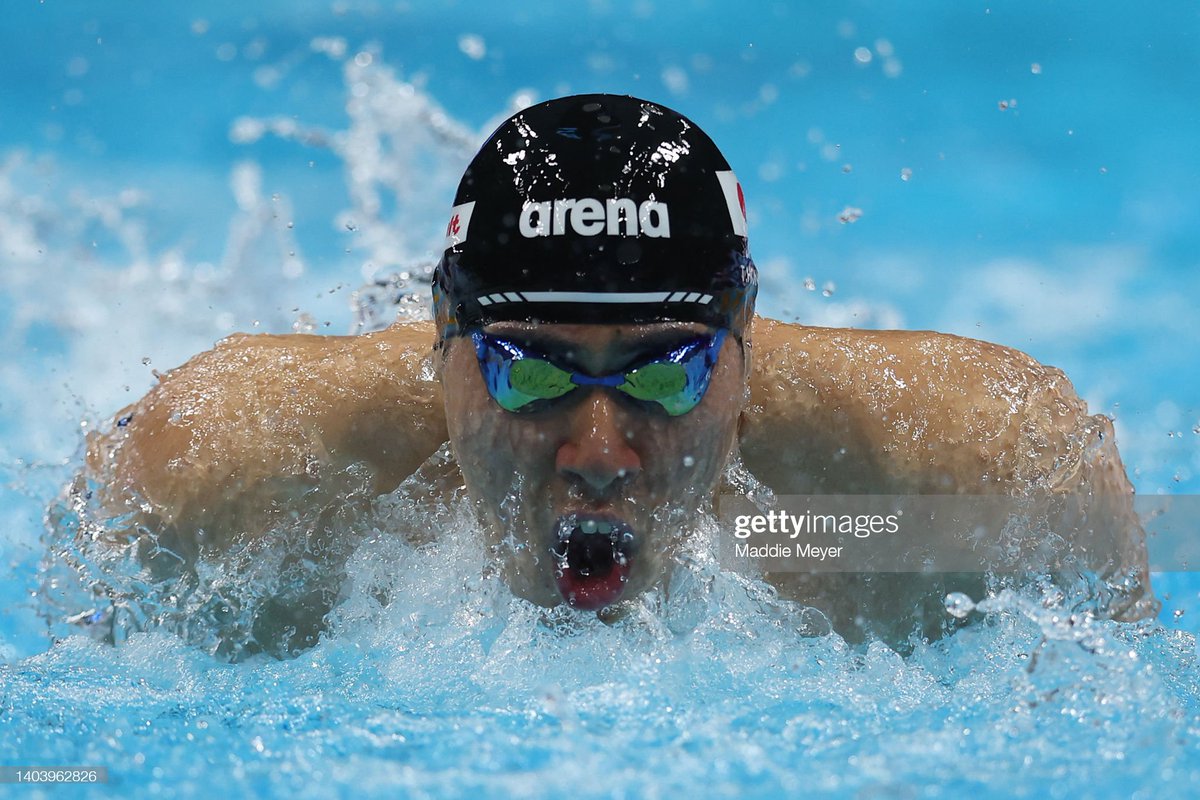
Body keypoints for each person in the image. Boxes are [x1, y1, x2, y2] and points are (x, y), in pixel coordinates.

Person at [82, 94, 1157, 653]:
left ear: (746, 347)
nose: (598, 454)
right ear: (439, 343)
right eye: (535, 375)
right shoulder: (240, 474)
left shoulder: (966, 478)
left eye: (664, 375)